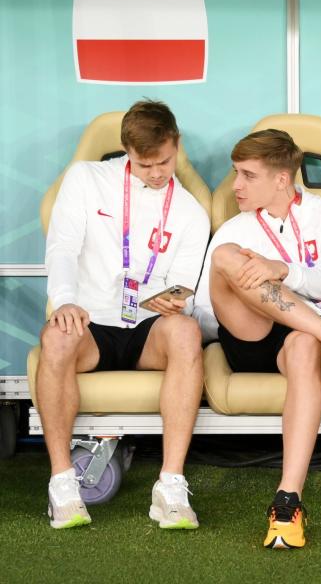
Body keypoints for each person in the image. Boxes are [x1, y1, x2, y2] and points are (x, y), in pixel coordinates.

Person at [193, 129, 321, 549]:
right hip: (254, 336)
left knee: (300, 345)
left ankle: (288, 501)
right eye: (235, 174)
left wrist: (281, 269)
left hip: (309, 337)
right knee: (227, 257)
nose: (236, 186)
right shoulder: (232, 230)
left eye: (247, 176)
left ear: (282, 179)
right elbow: (209, 312)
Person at [38, 99, 210, 530]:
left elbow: (183, 285)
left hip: (147, 326)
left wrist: (172, 301)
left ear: (177, 144)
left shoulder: (190, 210)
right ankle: (62, 482)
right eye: (144, 163)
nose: (156, 172)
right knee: (57, 336)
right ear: (125, 151)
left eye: (165, 161)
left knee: (186, 331)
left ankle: (170, 485)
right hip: (90, 322)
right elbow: (62, 247)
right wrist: (64, 300)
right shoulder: (85, 178)